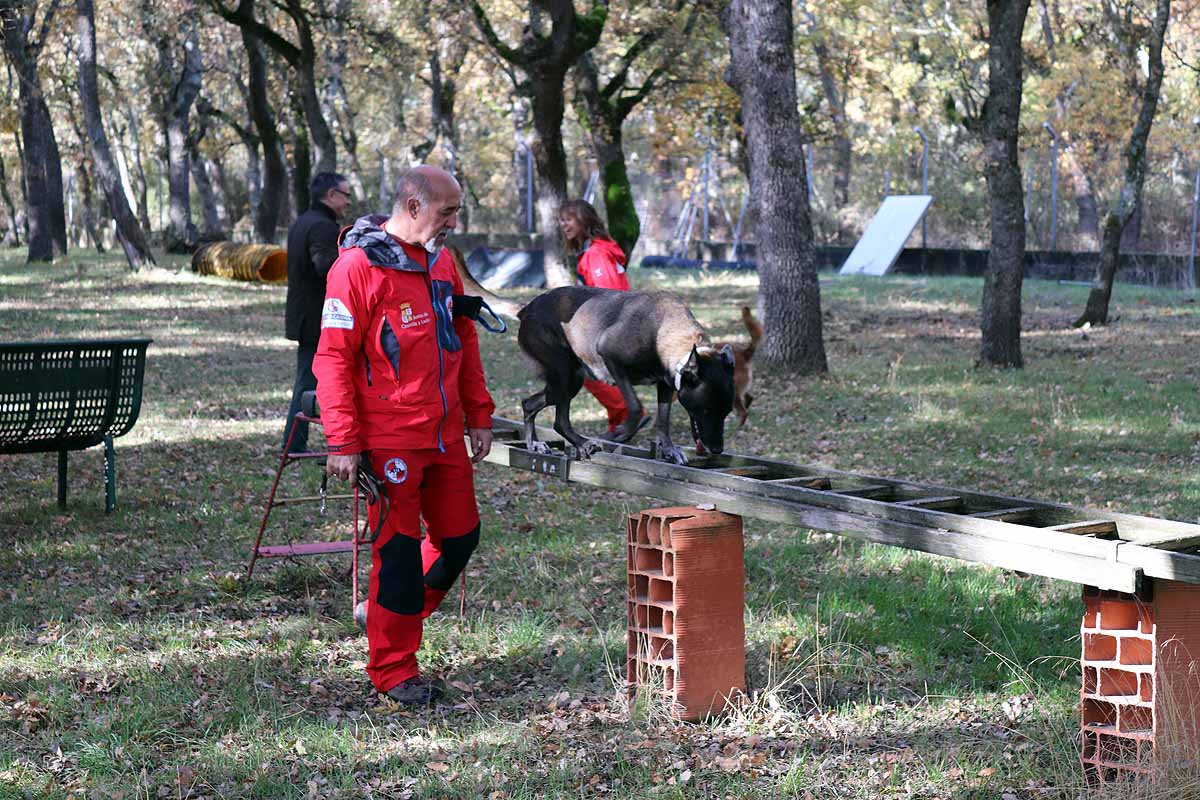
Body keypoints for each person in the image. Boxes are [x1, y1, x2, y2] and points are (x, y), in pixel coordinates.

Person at [314, 165, 494, 706]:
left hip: (445, 435)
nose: (455, 222)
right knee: (397, 552)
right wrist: (343, 439)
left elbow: (463, 339)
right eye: (447, 212)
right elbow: (332, 358)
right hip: (390, 438)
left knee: (460, 538)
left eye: (458, 211)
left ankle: (392, 615)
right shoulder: (356, 268)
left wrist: (479, 414)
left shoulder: (442, 263)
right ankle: (393, 669)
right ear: (413, 207)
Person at [557, 199, 645, 434]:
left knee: (583, 369)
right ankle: (619, 421)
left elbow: (609, 295)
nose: (563, 225)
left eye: (568, 219)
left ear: (583, 220)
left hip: (614, 327)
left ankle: (628, 412)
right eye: (561, 220)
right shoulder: (596, 250)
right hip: (617, 324)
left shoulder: (596, 254)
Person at [282, 171, 353, 454]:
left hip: (305, 317)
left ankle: (296, 443)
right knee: (306, 386)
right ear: (331, 195)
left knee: (306, 382)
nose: (348, 202)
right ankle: (294, 445)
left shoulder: (304, 222)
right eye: (346, 195)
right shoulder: (323, 227)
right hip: (315, 320)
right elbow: (327, 268)